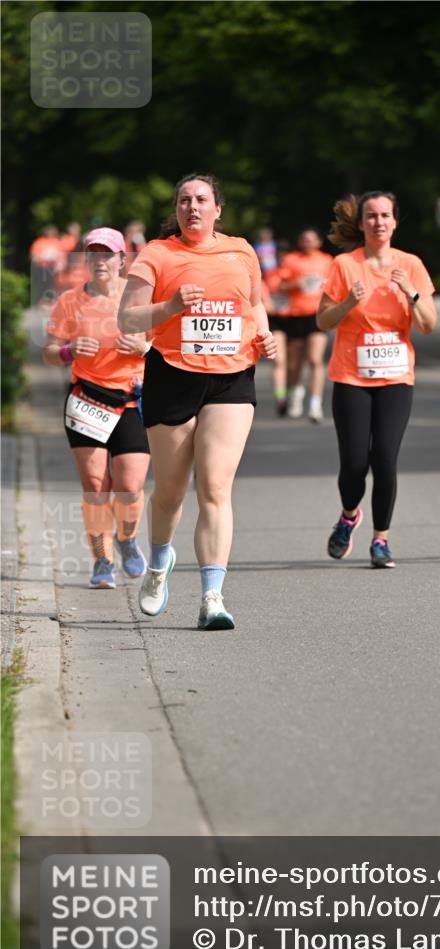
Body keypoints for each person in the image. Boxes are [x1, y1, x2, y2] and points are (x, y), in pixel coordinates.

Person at [117, 173, 277, 630]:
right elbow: (127, 316)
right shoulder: (157, 254)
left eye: (201, 200)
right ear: (177, 209)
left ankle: (212, 596)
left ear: (217, 209)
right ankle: (158, 565)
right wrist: (169, 309)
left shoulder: (242, 251)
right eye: (184, 200)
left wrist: (264, 335)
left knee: (215, 487)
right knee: (169, 492)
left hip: (232, 378)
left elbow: (254, 304)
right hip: (172, 376)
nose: (192, 207)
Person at [317, 191, 436, 568]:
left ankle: (380, 540)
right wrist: (349, 302)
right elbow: (323, 321)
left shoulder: (411, 264)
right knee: (354, 464)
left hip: (396, 378)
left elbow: (429, 325)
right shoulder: (343, 265)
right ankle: (349, 514)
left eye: (385, 215)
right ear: (362, 223)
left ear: (395, 221)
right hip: (351, 376)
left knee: (385, 459)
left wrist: (411, 293)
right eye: (371, 216)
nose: (379, 222)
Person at [43, 227, 151, 589]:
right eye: (93, 254)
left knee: (130, 487)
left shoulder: (139, 299)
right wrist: (68, 351)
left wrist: (143, 349)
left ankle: (127, 539)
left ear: (123, 260)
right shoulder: (69, 301)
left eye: (108, 254)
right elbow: (49, 352)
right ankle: (102, 560)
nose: (100, 261)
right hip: (88, 398)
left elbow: (166, 349)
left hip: (134, 399)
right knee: (94, 485)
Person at [279, 229, 333, 422]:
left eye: (311, 239)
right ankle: (296, 394)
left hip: (316, 315)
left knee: (315, 359)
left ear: (318, 242)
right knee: (295, 362)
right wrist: (296, 283)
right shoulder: (292, 259)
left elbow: (335, 285)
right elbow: (280, 285)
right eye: (304, 239)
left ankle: (315, 404)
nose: (308, 242)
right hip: (295, 314)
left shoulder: (327, 261)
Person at [262, 239, 290, 416]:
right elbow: (262, 294)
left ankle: (294, 394)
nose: (282, 260)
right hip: (276, 320)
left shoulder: (297, 273)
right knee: (279, 360)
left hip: (296, 319)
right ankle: (281, 397)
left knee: (294, 363)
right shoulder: (269, 274)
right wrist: (268, 302)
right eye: (280, 257)